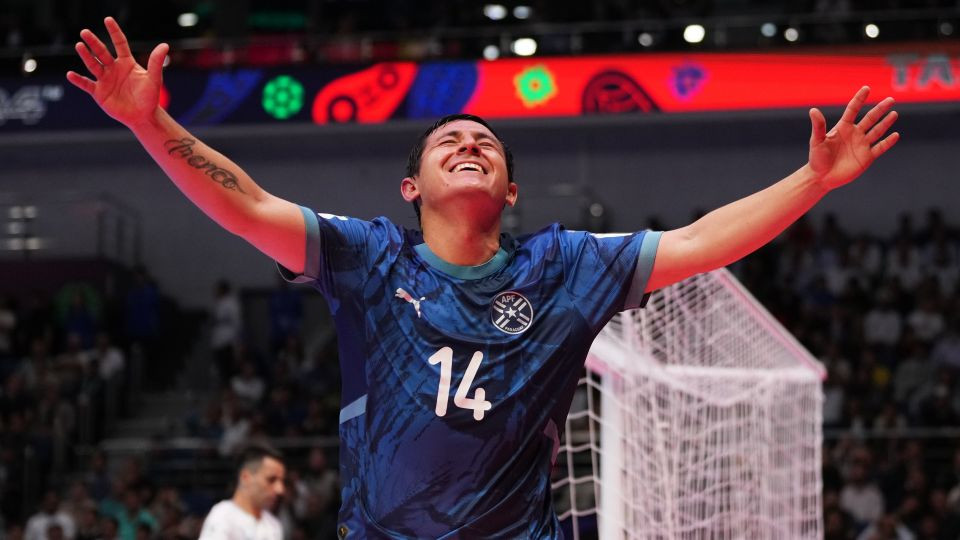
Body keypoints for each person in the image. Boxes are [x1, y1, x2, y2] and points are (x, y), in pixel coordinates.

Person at [67, 17, 899, 538]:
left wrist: (815, 181)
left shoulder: (567, 265)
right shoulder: (368, 257)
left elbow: (702, 239)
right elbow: (246, 203)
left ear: (510, 190)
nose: (468, 143)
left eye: (487, 144)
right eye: (446, 142)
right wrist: (149, 121)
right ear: (411, 188)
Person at [197, 444, 285, 540]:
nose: (280, 489)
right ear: (245, 477)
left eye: (282, 481)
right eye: (271, 480)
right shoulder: (222, 517)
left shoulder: (273, 525)